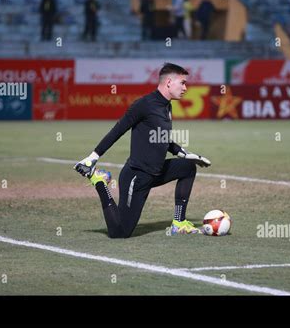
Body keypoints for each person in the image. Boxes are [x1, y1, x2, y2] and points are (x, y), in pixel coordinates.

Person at [74, 63, 211, 238]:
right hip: (137, 177)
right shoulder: (144, 104)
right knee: (119, 233)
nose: (185, 88)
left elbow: (162, 138)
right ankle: (99, 181)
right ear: (169, 82)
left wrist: (186, 154)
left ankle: (179, 222)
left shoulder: (167, 106)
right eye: (182, 83)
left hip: (157, 171)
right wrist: (93, 157)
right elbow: (118, 129)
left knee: (188, 167)